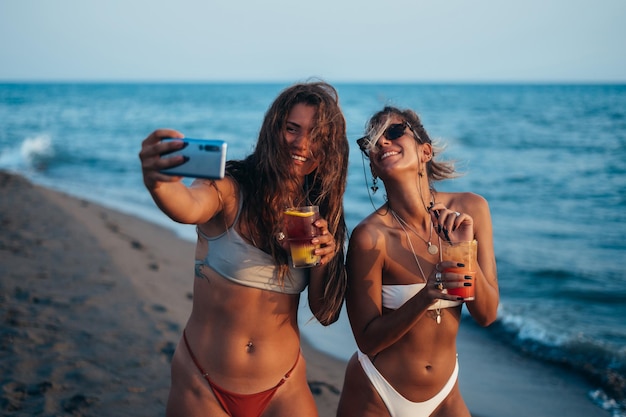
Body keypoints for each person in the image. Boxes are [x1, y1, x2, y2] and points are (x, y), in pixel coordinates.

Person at [139, 81, 349, 417]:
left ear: (330, 150)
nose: (302, 144)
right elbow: (188, 207)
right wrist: (158, 181)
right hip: (203, 383)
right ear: (272, 129)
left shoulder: (316, 214)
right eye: (291, 129)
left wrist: (326, 256)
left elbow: (323, 312)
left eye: (317, 136)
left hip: (285, 387)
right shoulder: (228, 187)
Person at [336, 106, 499, 417]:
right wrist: (427, 294)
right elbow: (368, 340)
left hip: (446, 396)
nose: (382, 142)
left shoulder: (472, 209)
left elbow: (487, 314)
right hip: (376, 394)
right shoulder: (370, 237)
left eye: (394, 132)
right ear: (373, 167)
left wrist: (463, 252)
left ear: (425, 151)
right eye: (372, 141)